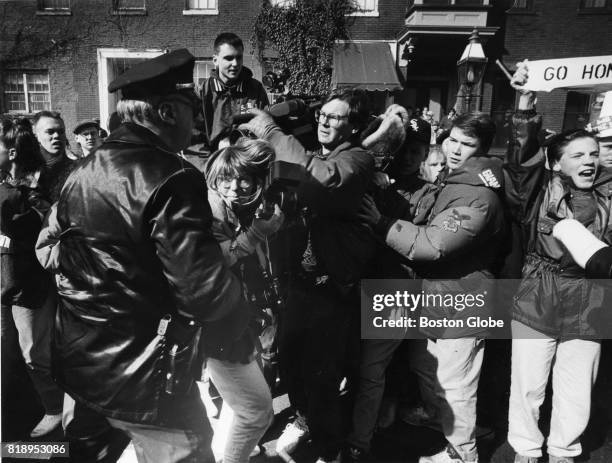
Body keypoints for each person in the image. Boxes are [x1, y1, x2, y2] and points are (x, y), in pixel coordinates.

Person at [41, 49, 251, 463]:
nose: (197, 121)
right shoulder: (173, 177)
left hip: (83, 365)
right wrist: (241, 310)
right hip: (146, 381)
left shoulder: (79, 172)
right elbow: (202, 292)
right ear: (169, 111)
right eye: (193, 109)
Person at [359, 112, 507, 463]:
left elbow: (432, 245)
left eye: (467, 144)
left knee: (457, 384)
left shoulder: (478, 196)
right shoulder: (457, 183)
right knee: (429, 368)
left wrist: (380, 222)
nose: (456, 149)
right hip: (441, 295)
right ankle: (443, 424)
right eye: (452, 139)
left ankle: (462, 454)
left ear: (482, 149)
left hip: (466, 298)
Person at [240, 88, 377, 463]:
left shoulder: (357, 159)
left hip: (331, 288)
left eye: (336, 117)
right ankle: (303, 420)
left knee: (322, 374)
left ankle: (328, 448)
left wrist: (271, 130)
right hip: (298, 283)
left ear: (355, 126)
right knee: (292, 363)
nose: (325, 121)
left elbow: (322, 180)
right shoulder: (316, 154)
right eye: (323, 115)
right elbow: (289, 177)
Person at [505, 60, 612, 463]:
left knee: (577, 384)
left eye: (595, 154)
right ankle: (527, 450)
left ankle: (564, 451)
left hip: (593, 298)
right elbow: (523, 158)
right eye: (578, 155)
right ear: (557, 162)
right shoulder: (537, 190)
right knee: (528, 384)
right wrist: (527, 101)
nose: (589, 161)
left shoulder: (609, 193)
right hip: (540, 293)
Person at [203, 139, 283, 463]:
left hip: (240, 322)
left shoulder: (244, 208)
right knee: (258, 413)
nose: (234, 187)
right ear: (215, 179)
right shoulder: (211, 208)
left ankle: (227, 455)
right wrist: (258, 233)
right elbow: (220, 258)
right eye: (226, 179)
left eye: (243, 179)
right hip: (220, 327)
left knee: (240, 409)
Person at [0, 118, 63, 438]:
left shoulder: (30, 190)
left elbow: (32, 231)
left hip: (29, 287)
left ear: (11, 152)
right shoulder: (8, 187)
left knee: (34, 356)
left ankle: (55, 411)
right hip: (9, 286)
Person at [201, 32, 269, 150]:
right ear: (215, 60)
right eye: (228, 58)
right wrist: (208, 167)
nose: (235, 64)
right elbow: (195, 143)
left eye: (239, 57)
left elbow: (267, 131)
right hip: (213, 164)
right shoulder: (203, 92)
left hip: (248, 163)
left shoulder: (256, 89)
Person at [33, 111, 75, 202]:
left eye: (61, 132)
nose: (56, 136)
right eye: (50, 132)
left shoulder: (78, 170)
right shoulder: (27, 171)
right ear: (37, 136)